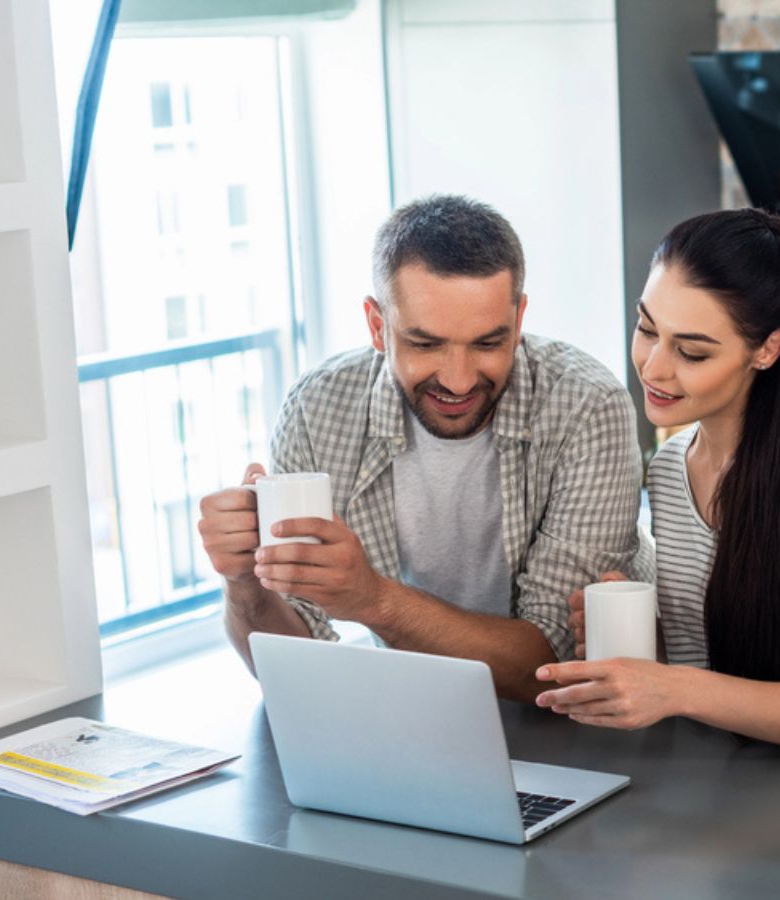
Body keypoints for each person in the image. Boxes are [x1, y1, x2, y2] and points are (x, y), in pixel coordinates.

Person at [196, 195, 648, 702]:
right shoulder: (317, 408)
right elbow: (292, 665)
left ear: (519, 319)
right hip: (414, 713)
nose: (458, 380)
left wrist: (373, 601)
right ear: (376, 326)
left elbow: (553, 662)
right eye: (425, 344)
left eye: (487, 343)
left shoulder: (587, 406)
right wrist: (243, 581)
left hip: (565, 727)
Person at [534, 209, 780, 750]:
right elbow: (717, 673)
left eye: (691, 351)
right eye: (647, 330)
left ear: (767, 349)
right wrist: (646, 646)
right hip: (734, 777)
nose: (653, 367)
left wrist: (673, 688)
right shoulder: (670, 469)